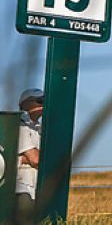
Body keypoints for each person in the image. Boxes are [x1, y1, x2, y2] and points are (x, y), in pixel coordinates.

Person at [16, 88, 43, 222]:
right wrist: (28, 159)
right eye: (39, 101)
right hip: (21, 188)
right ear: (27, 104)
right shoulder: (20, 125)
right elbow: (36, 159)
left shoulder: (39, 127)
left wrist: (25, 159)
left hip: (36, 187)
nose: (43, 104)